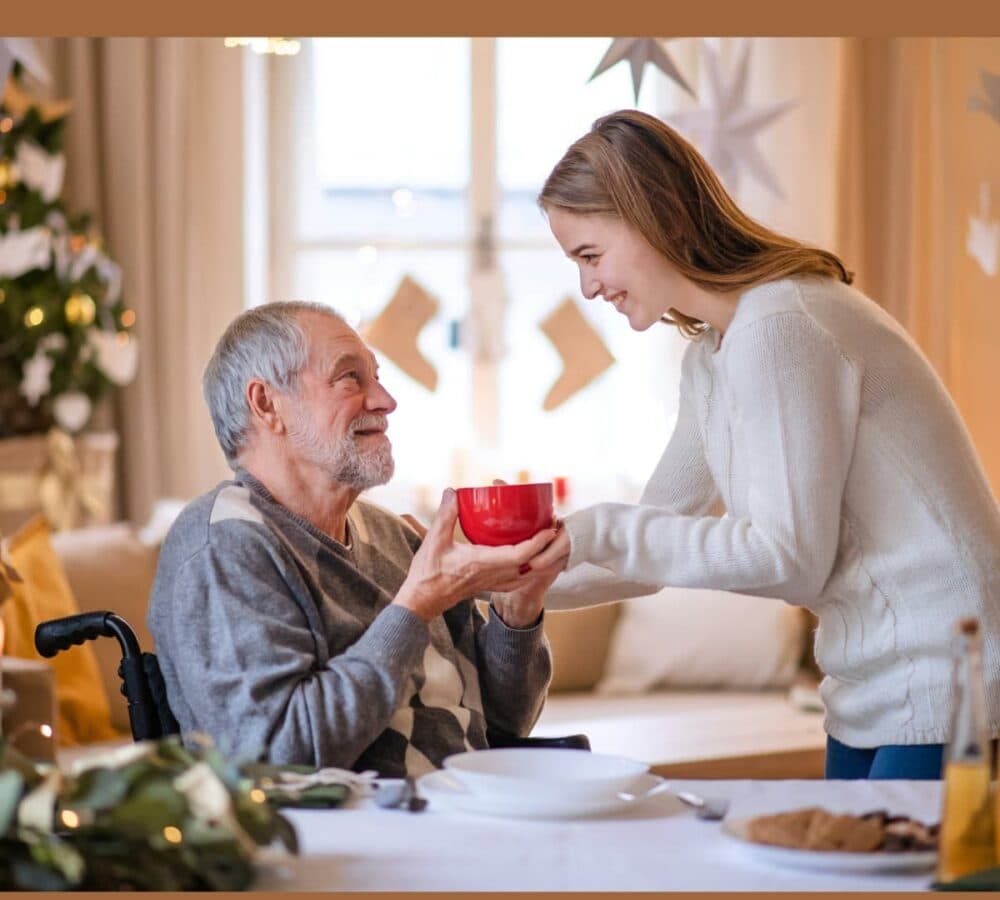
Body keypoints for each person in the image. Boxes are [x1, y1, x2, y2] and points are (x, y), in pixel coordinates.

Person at [527, 109, 1000, 780]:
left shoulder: (782, 325)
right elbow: (647, 554)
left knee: (897, 884)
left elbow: (789, 558)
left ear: (656, 216)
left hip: (951, 670)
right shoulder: (714, 357)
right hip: (869, 679)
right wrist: (494, 583)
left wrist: (596, 529)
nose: (588, 286)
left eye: (590, 255)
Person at [148, 301, 562, 777]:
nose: (386, 400)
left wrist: (518, 610)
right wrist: (415, 606)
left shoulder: (392, 535)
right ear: (267, 404)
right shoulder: (224, 545)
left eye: (378, 378)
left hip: (465, 813)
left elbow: (505, 724)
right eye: (350, 379)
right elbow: (277, 757)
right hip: (348, 836)